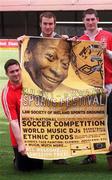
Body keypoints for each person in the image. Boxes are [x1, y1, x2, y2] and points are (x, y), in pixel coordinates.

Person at [18, 11, 69, 165]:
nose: (48, 26)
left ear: (55, 24)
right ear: (41, 24)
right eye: (45, 23)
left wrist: (70, 42)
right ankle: (38, 152)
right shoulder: (32, 42)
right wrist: (20, 43)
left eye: (51, 24)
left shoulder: (62, 41)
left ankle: (59, 155)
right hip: (36, 93)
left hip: (58, 94)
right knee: (40, 121)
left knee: (58, 122)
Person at [79, 8, 112, 164]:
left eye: (92, 19)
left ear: (97, 19)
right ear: (83, 21)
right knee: (91, 119)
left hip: (109, 84)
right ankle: (92, 153)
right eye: (87, 20)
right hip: (90, 86)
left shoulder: (108, 36)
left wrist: (107, 51)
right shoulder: (81, 39)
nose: (90, 22)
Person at [1, 59, 43, 171]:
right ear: (6, 74)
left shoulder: (30, 83)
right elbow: (13, 121)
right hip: (19, 133)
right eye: (12, 72)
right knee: (24, 169)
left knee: (38, 167)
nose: (15, 74)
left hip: (35, 132)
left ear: (21, 70)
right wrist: (21, 144)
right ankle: (16, 159)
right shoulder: (7, 93)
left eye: (17, 70)